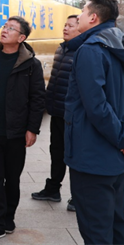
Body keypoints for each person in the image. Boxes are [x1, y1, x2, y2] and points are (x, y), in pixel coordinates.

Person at [65, 0, 124, 245]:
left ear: (93, 17)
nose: (77, 16)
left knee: (96, 229)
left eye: (81, 11)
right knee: (115, 221)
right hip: (115, 156)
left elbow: (96, 107)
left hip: (92, 156)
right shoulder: (122, 44)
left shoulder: (90, 49)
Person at [0, 16, 45, 243]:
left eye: (11, 28)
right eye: (5, 26)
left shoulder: (31, 65)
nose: (5, 30)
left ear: (21, 38)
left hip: (15, 132)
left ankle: (8, 216)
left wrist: (32, 129)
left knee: (12, 178)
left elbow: (38, 98)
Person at [31, 14, 82, 211]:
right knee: (56, 152)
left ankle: (78, 197)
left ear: (81, 28)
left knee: (75, 155)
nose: (65, 28)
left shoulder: (83, 50)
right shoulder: (62, 48)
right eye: (65, 24)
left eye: (70, 26)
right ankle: (53, 189)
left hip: (74, 116)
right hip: (58, 111)